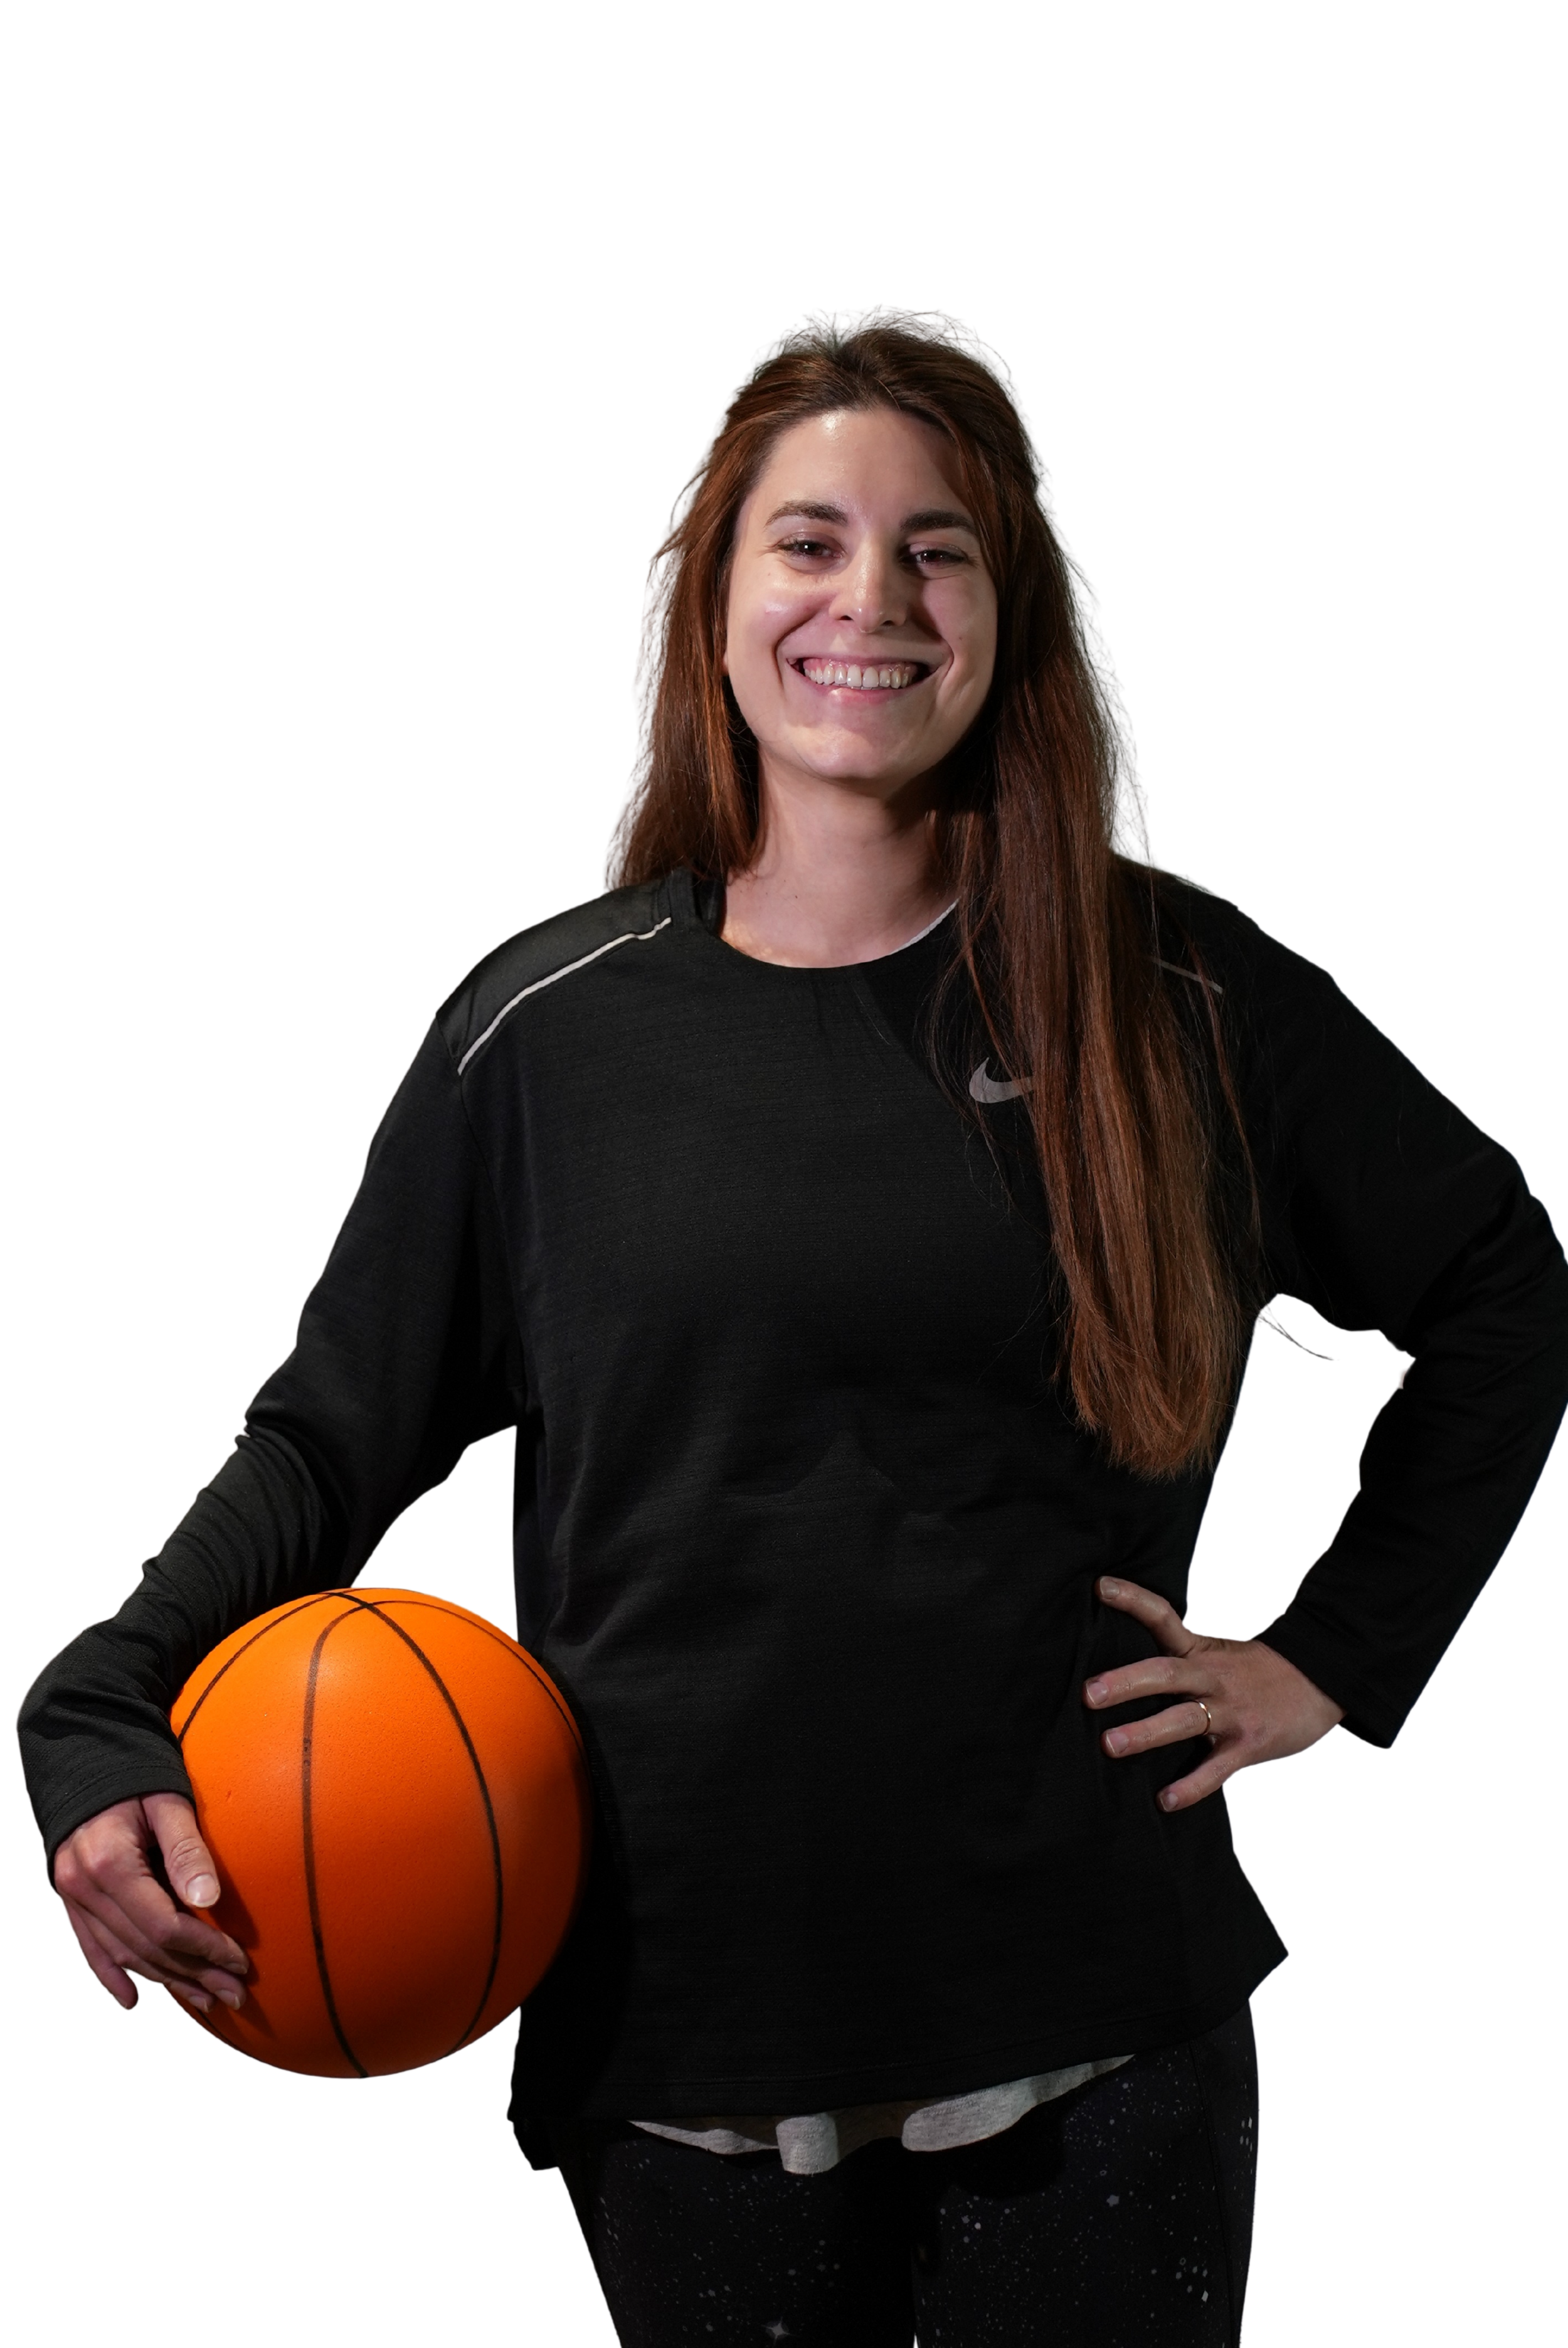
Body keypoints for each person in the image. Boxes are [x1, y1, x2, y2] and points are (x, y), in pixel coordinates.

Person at [19, 302, 1568, 2347]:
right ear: (715, 594)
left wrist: (1334, 1660)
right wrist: (96, 1703)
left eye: (937, 546)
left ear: (1006, 608)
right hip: (678, 2052)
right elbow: (330, 1437)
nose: (872, 598)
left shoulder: (1174, 996)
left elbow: (1497, 1279)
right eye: (809, 538)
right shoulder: (542, 1034)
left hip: (1094, 2043)